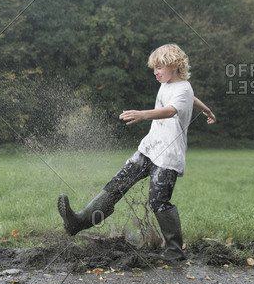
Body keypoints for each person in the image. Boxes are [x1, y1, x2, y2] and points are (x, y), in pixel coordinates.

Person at [57, 43, 216, 261]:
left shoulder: (183, 88)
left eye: (159, 67)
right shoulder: (171, 85)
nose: (155, 72)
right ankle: (80, 221)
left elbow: (172, 109)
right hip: (149, 148)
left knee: (158, 200)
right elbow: (191, 99)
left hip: (168, 156)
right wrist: (206, 110)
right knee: (117, 185)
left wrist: (143, 115)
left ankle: (174, 251)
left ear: (175, 65)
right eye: (154, 69)